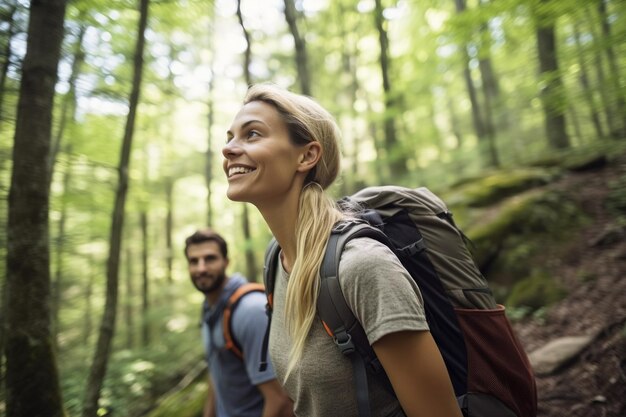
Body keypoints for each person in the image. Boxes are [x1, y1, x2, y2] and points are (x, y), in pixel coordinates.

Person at [222, 83, 463, 417]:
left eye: (252, 134)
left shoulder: (363, 267)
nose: (229, 149)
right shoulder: (277, 260)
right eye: (230, 137)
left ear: (306, 155)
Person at [185, 228, 294, 417]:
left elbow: (281, 401)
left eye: (210, 258)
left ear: (226, 262)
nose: (201, 268)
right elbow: (217, 370)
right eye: (194, 261)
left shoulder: (250, 312)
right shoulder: (209, 310)